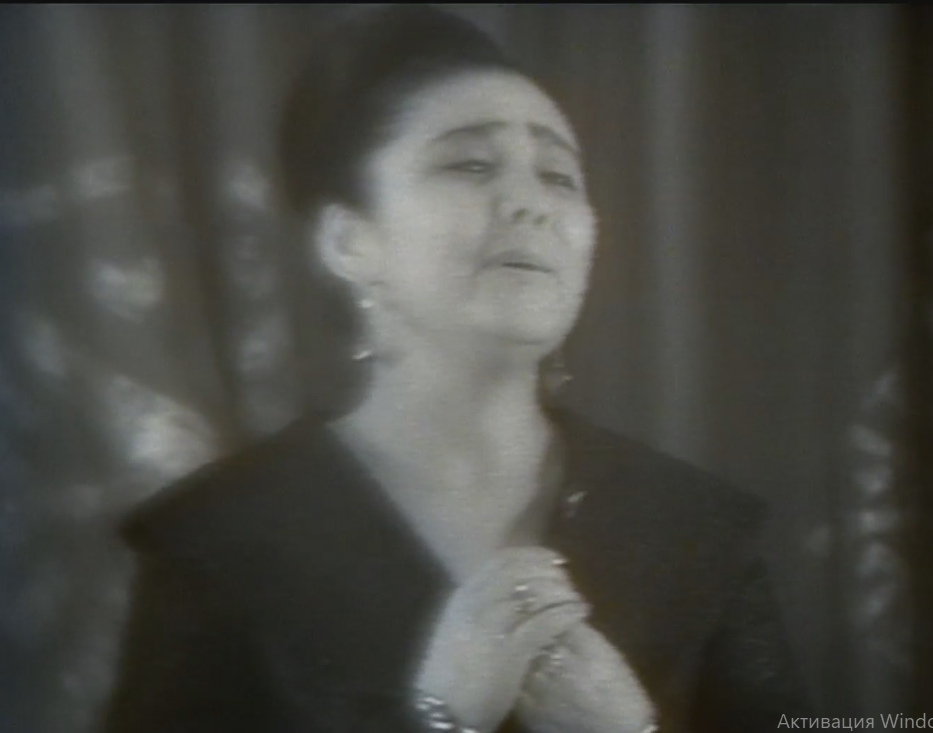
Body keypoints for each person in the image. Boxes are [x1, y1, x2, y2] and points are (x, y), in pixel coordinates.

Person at [101, 6, 814, 733]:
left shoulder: (692, 528)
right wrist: (436, 718)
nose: (531, 204)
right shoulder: (223, 541)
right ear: (349, 241)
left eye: (559, 176)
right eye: (471, 164)